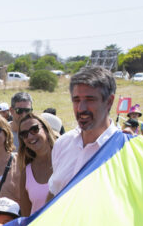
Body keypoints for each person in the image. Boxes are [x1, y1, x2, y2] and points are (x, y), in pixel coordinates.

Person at [48, 66, 119, 200]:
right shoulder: (62, 144)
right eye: (76, 100)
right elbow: (53, 192)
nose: (81, 108)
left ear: (109, 101)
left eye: (90, 99)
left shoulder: (122, 151)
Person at [17, 113, 57, 216]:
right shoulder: (26, 173)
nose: (30, 136)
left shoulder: (65, 159)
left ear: (46, 130)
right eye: (24, 134)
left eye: (34, 129)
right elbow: (26, 217)